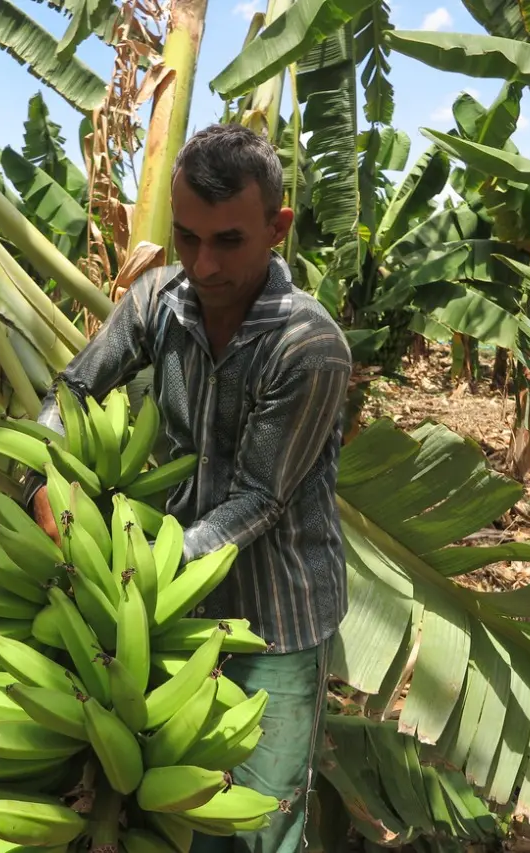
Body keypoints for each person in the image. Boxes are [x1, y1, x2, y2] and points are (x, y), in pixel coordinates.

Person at [27, 122, 352, 853]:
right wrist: (45, 472)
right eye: (186, 237)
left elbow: (258, 500)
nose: (202, 265)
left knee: (259, 821)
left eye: (228, 241)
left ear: (278, 226)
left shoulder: (309, 347)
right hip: (169, 609)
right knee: (179, 816)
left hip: (276, 614)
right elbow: (77, 388)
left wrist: (140, 569)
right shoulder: (158, 300)